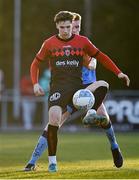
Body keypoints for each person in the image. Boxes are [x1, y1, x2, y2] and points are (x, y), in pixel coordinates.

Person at [25, 11, 130, 172]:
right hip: (68, 91)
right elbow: (41, 62)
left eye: (75, 27)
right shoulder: (58, 43)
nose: (71, 30)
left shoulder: (83, 43)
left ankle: (114, 146)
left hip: (88, 89)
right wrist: (36, 83)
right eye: (68, 27)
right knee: (53, 123)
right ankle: (33, 161)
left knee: (103, 117)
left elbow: (97, 58)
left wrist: (117, 72)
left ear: (78, 27)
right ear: (60, 26)